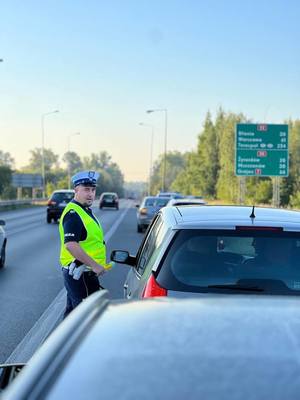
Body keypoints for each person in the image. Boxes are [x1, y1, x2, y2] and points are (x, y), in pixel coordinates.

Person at [59, 170, 111, 318]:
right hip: (80, 273)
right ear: (76, 190)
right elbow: (71, 244)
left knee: (72, 317)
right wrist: (95, 265)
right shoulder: (74, 214)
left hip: (83, 272)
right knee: (86, 319)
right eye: (86, 189)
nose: (90, 194)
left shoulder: (85, 210)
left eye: (93, 190)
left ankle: (65, 342)